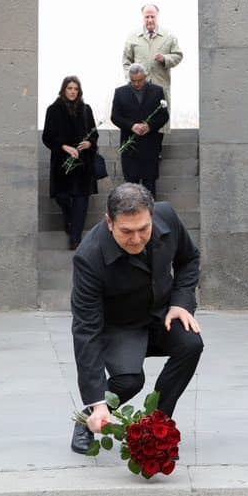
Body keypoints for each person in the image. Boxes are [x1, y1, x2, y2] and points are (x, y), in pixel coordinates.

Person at [69, 182, 202, 455]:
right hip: (120, 324)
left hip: (161, 313)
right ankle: (89, 418)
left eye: (144, 229)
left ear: (152, 216)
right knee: (129, 382)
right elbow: (86, 330)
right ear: (109, 222)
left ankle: (157, 423)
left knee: (191, 344)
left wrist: (181, 302)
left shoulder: (168, 217)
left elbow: (189, 259)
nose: (137, 239)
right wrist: (97, 400)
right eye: (126, 232)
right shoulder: (89, 257)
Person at [42, 75, 101, 251]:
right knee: (62, 197)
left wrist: (90, 143)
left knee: (82, 199)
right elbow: (47, 137)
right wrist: (64, 147)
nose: (73, 92)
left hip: (83, 163)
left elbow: (94, 134)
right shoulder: (53, 109)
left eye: (76, 89)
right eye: (70, 88)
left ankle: (75, 238)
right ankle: (68, 218)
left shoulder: (86, 109)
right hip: (62, 163)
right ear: (63, 90)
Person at [109, 64, 168, 197]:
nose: (136, 83)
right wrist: (131, 126)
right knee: (130, 188)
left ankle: (150, 216)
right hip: (130, 147)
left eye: (140, 80)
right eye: (133, 80)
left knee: (150, 185)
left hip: (150, 145)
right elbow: (115, 116)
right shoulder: (120, 92)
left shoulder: (157, 91)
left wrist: (150, 126)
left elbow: (164, 116)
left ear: (145, 77)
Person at [121, 4, 183, 95]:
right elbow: (126, 61)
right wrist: (131, 80)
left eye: (152, 17)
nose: (150, 20)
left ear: (157, 16)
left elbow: (178, 55)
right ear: (143, 17)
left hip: (161, 86)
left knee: (160, 109)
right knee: (138, 109)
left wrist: (165, 59)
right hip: (139, 88)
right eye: (147, 17)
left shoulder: (169, 36)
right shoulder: (132, 37)